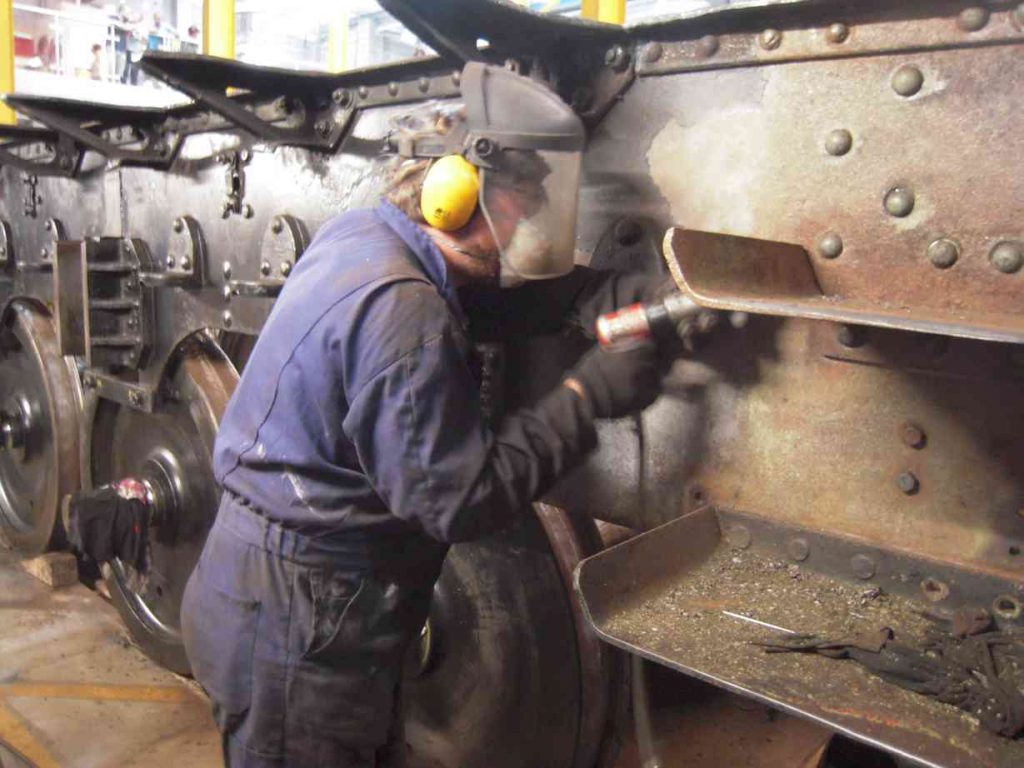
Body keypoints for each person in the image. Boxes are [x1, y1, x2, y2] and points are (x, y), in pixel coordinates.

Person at [180, 62, 667, 767]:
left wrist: (591, 295)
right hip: (300, 625)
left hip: (280, 594)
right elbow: (458, 500)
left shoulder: (365, 238)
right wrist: (586, 395)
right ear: (455, 199)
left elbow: (473, 294)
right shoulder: (406, 317)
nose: (531, 217)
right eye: (520, 202)